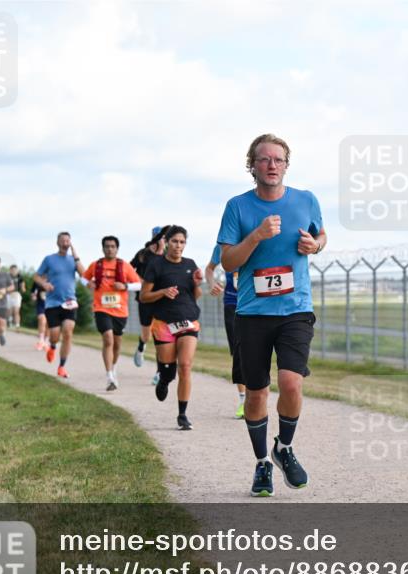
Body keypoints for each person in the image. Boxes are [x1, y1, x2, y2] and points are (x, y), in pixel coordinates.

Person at [217, 133, 326, 497]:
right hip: (252, 312)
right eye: (264, 159)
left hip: (295, 309)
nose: (272, 165)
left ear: (286, 165)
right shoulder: (238, 207)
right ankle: (262, 462)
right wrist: (256, 237)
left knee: (292, 383)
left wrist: (316, 244)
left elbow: (321, 234)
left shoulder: (306, 200)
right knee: (257, 393)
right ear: (253, 166)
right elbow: (227, 261)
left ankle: (285, 448)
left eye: (278, 159)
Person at [140, 226, 202, 430]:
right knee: (169, 371)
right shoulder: (156, 265)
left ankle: (182, 414)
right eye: (175, 241)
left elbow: (196, 295)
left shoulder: (190, 265)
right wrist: (163, 292)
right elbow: (144, 296)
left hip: (188, 320)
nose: (179, 246)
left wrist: (197, 284)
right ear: (166, 242)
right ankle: (164, 379)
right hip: (164, 323)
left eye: (182, 242)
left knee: (185, 365)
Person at [83, 236, 142, 391]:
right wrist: (89, 283)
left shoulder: (124, 266)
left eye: (113, 246)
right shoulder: (96, 265)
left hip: (120, 310)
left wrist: (124, 286)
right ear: (103, 248)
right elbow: (83, 278)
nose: (110, 249)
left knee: (117, 343)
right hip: (101, 308)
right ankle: (109, 376)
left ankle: (114, 367)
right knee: (108, 339)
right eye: (107, 246)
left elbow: (138, 285)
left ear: (117, 248)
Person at [34, 232, 86, 378]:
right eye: (63, 240)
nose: (65, 242)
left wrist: (76, 256)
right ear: (57, 242)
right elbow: (36, 276)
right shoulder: (49, 259)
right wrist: (44, 284)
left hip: (70, 301)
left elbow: (84, 275)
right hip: (52, 303)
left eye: (68, 240)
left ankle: (62, 366)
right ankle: (52, 346)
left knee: (68, 332)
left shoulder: (73, 260)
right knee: (55, 335)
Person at [205, 244, 245, 418]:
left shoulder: (258, 237)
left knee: (256, 352)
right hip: (232, 304)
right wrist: (212, 284)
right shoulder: (222, 246)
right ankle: (244, 401)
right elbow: (209, 269)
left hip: (256, 304)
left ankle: (256, 397)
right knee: (238, 354)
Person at [131, 226, 169, 386]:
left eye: (164, 238)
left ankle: (159, 373)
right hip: (144, 299)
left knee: (160, 337)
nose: (162, 241)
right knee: (146, 334)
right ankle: (141, 347)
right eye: (159, 237)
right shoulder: (143, 254)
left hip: (161, 300)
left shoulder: (168, 256)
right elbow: (129, 269)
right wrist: (139, 281)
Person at [30, 280, 48, 349]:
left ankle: (46, 341)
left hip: (50, 304)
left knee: (48, 323)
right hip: (40, 304)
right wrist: (33, 297)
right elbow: (32, 292)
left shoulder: (53, 278)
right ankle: (41, 341)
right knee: (42, 319)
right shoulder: (37, 281)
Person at [7, 264, 25, 329]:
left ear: (17, 270)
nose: (14, 271)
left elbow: (23, 286)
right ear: (10, 270)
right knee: (9, 310)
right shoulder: (7, 277)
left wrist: (23, 289)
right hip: (8, 295)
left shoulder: (20, 277)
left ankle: (17, 325)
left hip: (16, 295)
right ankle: (10, 321)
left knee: (16, 310)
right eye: (12, 270)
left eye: (15, 270)